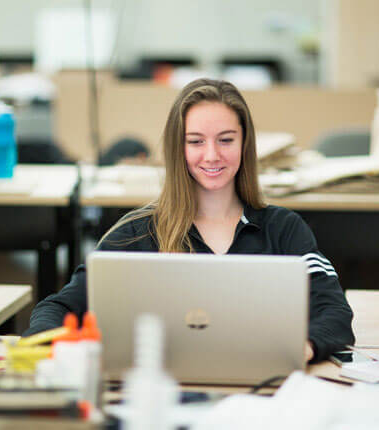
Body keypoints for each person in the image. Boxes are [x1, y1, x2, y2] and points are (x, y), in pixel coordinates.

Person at [24, 78, 355, 363]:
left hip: (263, 395)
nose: (211, 155)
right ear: (177, 148)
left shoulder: (284, 230)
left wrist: (303, 348)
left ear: (244, 144)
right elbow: (56, 308)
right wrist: (57, 354)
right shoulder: (135, 233)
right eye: (196, 141)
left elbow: (335, 313)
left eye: (226, 140)